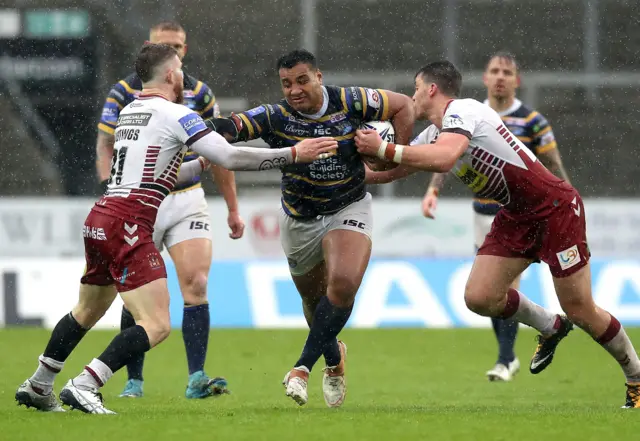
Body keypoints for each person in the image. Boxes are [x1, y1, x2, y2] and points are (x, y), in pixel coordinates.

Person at [15, 43, 337, 414]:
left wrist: (199, 165)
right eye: (180, 67)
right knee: (156, 324)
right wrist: (293, 154)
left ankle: (39, 383)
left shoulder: (130, 111)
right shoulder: (177, 114)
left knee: (87, 311)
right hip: (130, 221)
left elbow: (154, 175)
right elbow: (229, 156)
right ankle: (87, 382)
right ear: (170, 75)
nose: (184, 74)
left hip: (101, 216)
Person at [355, 60, 640, 408]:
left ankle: (636, 376)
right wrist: (354, 176)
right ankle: (551, 326)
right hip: (517, 215)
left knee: (580, 308)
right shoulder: (434, 132)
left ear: (431, 89)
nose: (412, 96)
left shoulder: (464, 110)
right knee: (480, 296)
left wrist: (383, 148)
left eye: (416, 88)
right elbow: (397, 169)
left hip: (555, 209)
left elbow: (444, 159)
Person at [206, 49, 415, 407]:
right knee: (314, 302)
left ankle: (302, 368)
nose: (294, 90)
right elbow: (231, 128)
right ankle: (334, 360)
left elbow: (404, 107)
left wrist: (394, 155)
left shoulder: (352, 100)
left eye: (302, 80)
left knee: (344, 283)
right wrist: (193, 128)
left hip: (348, 205)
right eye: (286, 84)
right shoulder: (275, 116)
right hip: (299, 217)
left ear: (318, 76)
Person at [95, 21, 245, 399]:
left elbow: (219, 152)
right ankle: (135, 380)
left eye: (178, 46)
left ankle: (196, 377)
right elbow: (106, 143)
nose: (174, 53)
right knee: (138, 289)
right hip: (141, 201)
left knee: (195, 283)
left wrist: (232, 207)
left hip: (188, 197)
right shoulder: (125, 91)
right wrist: (111, 189)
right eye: (166, 47)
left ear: (185, 49)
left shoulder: (201, 93)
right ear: (150, 48)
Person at [420, 52, 572, 382]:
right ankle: (509, 353)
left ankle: (505, 358)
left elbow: (552, 164)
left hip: (522, 213)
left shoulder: (533, 121)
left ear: (517, 80)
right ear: (485, 78)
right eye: (494, 71)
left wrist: (568, 200)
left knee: (503, 287)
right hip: (482, 212)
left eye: (507, 72)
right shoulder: (464, 114)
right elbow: (446, 153)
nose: (500, 76)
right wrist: (433, 190)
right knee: (489, 293)